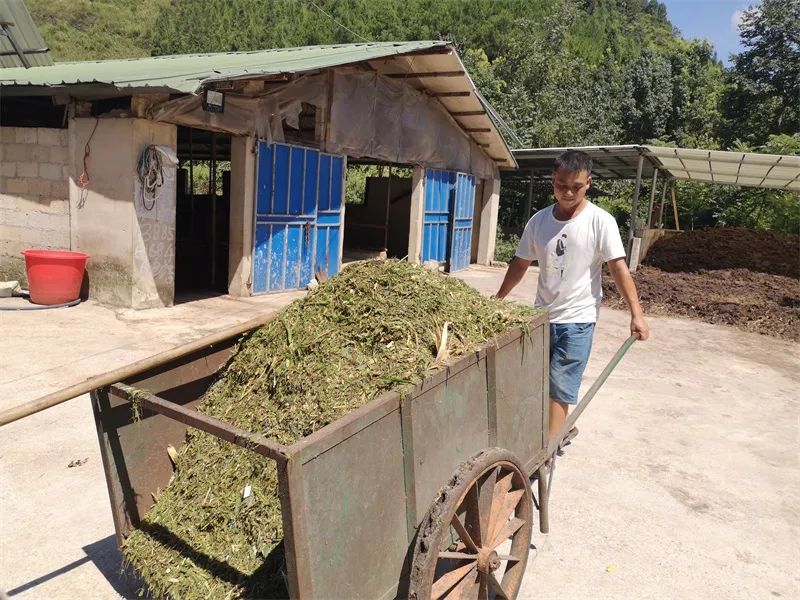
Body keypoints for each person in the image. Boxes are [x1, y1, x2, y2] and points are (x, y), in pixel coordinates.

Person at [495, 150, 649, 445]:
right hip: (540, 317)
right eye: (560, 184)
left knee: (559, 387)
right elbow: (520, 263)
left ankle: (545, 453)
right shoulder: (539, 222)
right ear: (552, 180)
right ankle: (555, 431)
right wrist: (499, 297)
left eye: (575, 186)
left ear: (588, 183)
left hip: (578, 319)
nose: (567, 192)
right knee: (534, 382)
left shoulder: (600, 221)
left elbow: (618, 267)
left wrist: (636, 313)